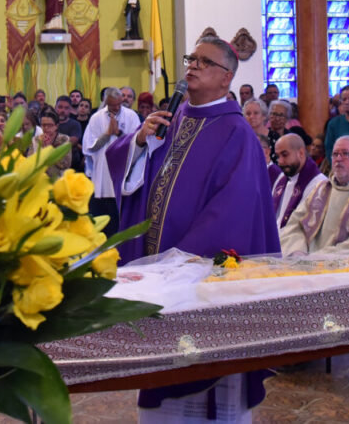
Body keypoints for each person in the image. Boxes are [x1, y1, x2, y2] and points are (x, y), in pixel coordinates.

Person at [105, 36, 280, 421]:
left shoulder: (237, 133)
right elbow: (138, 178)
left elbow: (233, 210)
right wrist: (138, 142)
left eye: (205, 61)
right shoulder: (176, 117)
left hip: (198, 279)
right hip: (160, 273)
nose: (193, 66)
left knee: (204, 383)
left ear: (226, 78)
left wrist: (180, 261)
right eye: (191, 58)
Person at [279, 135, 349, 255]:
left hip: (342, 268)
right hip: (304, 261)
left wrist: (314, 259)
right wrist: (297, 250)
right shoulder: (323, 189)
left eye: (346, 153)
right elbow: (295, 225)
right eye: (335, 154)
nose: (338, 159)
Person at [83, 87, 140, 233]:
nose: (116, 108)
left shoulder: (131, 116)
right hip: (102, 178)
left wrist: (119, 133)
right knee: (101, 225)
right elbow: (89, 147)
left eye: (118, 104)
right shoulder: (96, 118)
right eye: (112, 105)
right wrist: (106, 135)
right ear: (105, 102)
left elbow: (137, 144)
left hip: (123, 175)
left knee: (119, 225)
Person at [272, 134, 328, 252]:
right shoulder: (282, 178)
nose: (280, 162)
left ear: (301, 153)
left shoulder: (319, 184)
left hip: (295, 248)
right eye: (278, 156)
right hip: (275, 243)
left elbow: (304, 226)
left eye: (285, 155)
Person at [27, 109, 72, 179]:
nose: (46, 128)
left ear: (56, 126)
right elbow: (30, 161)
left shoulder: (64, 139)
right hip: (39, 178)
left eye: (50, 125)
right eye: (43, 125)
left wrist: (48, 149)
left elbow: (65, 164)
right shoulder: (35, 140)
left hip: (58, 178)